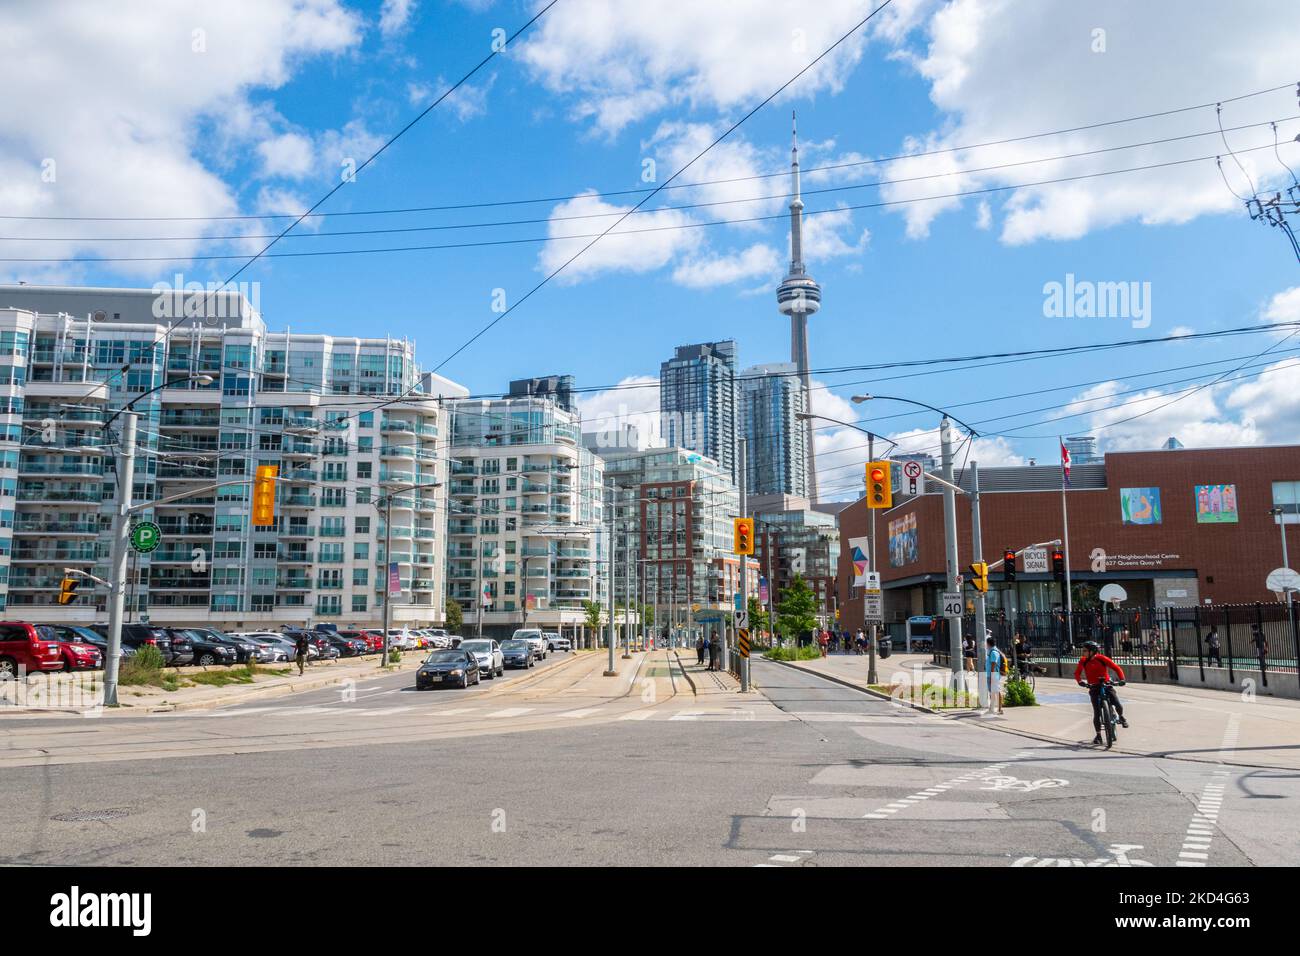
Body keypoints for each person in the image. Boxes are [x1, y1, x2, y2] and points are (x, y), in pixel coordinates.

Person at [1074, 640, 1128, 745]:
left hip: (1106, 685)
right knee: (1097, 713)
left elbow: (1116, 668)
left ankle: (1121, 717)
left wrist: (1122, 679)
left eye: (1085, 650)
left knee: (1117, 704)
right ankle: (1098, 735)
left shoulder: (1102, 659)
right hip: (1093, 687)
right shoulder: (1083, 661)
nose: (1083, 652)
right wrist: (1080, 682)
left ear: (1092, 651)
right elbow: (1077, 673)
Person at [984, 636, 1005, 715]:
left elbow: (994, 663)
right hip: (992, 674)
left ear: (988, 644)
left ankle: (1000, 709)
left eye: (986, 643)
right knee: (992, 692)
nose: (985, 645)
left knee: (997, 691)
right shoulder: (992, 651)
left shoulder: (993, 652)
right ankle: (992, 708)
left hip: (994, 674)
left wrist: (992, 675)